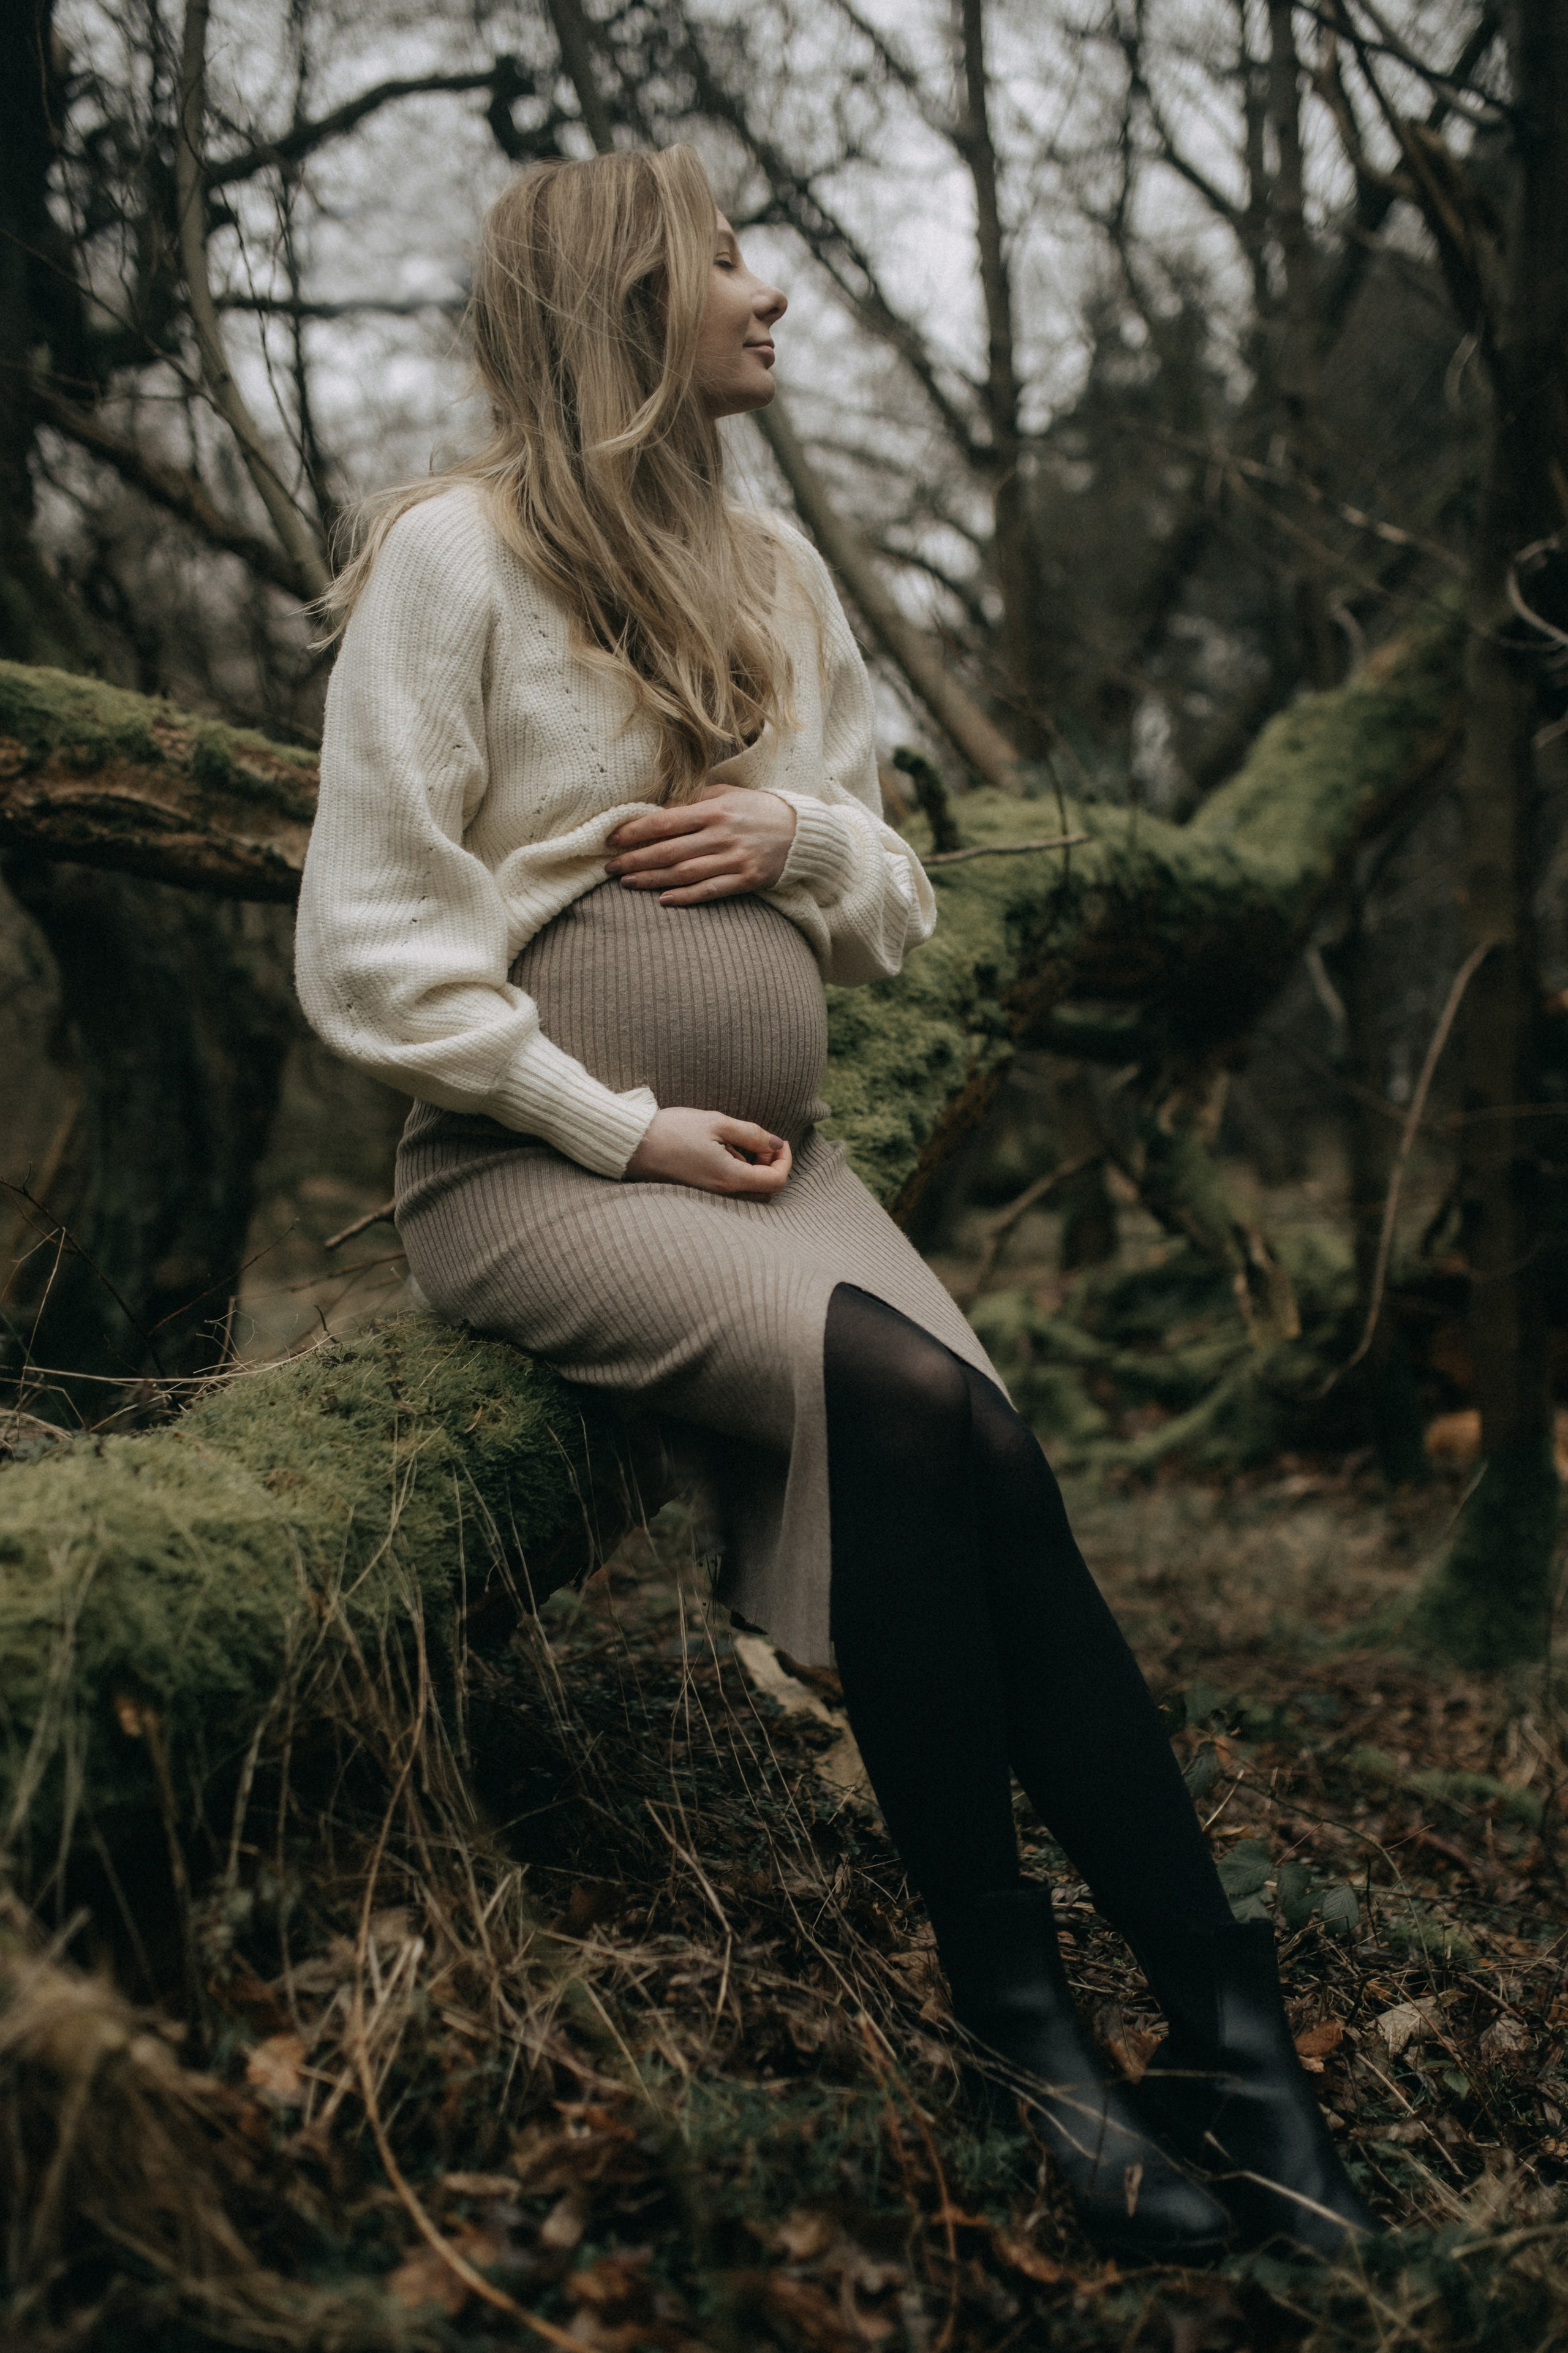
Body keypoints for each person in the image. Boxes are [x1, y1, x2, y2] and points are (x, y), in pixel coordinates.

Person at [295, 145, 1375, 2265]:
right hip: (535, 1169)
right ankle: (1025, 2026)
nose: (767, 295)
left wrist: (792, 831)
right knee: (898, 1395)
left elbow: (894, 897)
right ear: (629, 301)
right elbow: (370, 948)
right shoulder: (453, 561)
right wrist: (613, 1125)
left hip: (795, 1172)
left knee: (989, 1446)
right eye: (724, 265)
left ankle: (1236, 2028)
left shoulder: (775, 575)